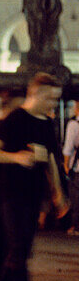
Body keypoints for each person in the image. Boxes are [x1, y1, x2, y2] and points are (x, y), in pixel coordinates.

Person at [0, 73, 67, 281]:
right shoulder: (16, 118)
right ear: (37, 94)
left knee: (22, 249)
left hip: (33, 196)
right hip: (11, 195)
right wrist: (17, 157)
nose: (54, 104)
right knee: (18, 249)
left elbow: (51, 159)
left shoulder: (46, 123)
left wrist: (58, 194)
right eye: (51, 98)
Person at [62, 101, 79, 235]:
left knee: (76, 197)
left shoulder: (74, 125)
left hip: (77, 167)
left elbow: (68, 148)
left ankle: (76, 226)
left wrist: (66, 165)